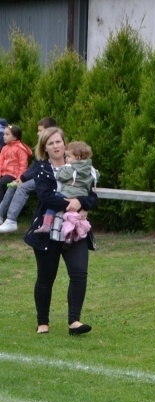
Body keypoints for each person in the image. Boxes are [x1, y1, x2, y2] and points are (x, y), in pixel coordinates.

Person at [23, 127, 98, 336]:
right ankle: (43, 322)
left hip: (75, 230)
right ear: (45, 148)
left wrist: (81, 201)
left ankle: (74, 321)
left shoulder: (79, 165)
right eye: (51, 143)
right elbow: (46, 196)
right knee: (46, 277)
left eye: (58, 142)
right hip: (48, 231)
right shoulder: (41, 169)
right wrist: (72, 204)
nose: (56, 146)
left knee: (79, 273)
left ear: (65, 143)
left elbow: (93, 197)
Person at [0, 117, 58, 233]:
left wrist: (23, 178)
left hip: (48, 177)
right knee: (13, 185)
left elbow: (39, 167)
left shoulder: (52, 145)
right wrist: (20, 178)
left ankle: (11, 220)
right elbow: (35, 165)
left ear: (49, 131)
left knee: (22, 187)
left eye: (40, 130)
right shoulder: (41, 145)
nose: (38, 133)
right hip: (39, 175)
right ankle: (1, 217)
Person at [34, 141, 98, 235]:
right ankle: (75, 233)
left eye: (68, 156)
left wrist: (61, 170)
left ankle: (46, 224)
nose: (66, 158)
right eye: (50, 143)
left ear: (78, 158)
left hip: (68, 193)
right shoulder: (90, 169)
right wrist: (81, 203)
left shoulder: (70, 168)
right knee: (74, 217)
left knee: (53, 203)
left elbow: (61, 177)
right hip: (82, 194)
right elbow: (92, 189)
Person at [0, 124, 33, 197]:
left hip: (13, 175)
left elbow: (23, 165)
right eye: (4, 134)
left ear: (15, 137)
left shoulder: (20, 149)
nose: (4, 136)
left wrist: (19, 179)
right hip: (4, 174)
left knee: (1, 184)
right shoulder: (4, 148)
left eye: (7, 134)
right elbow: (0, 162)